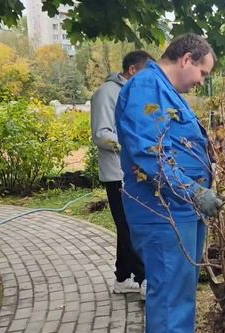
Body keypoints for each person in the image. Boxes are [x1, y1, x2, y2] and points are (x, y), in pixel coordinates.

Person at [115, 34, 222, 333]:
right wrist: (192, 190)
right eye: (203, 73)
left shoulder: (163, 89)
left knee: (178, 298)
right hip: (164, 213)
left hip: (179, 210)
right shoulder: (146, 87)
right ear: (187, 59)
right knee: (170, 301)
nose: (201, 82)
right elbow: (150, 154)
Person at [90, 50, 152, 299]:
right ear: (133, 70)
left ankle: (123, 277)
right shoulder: (107, 93)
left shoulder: (135, 93)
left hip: (134, 171)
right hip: (118, 173)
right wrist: (132, 147)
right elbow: (102, 134)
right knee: (131, 226)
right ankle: (144, 278)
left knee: (126, 225)